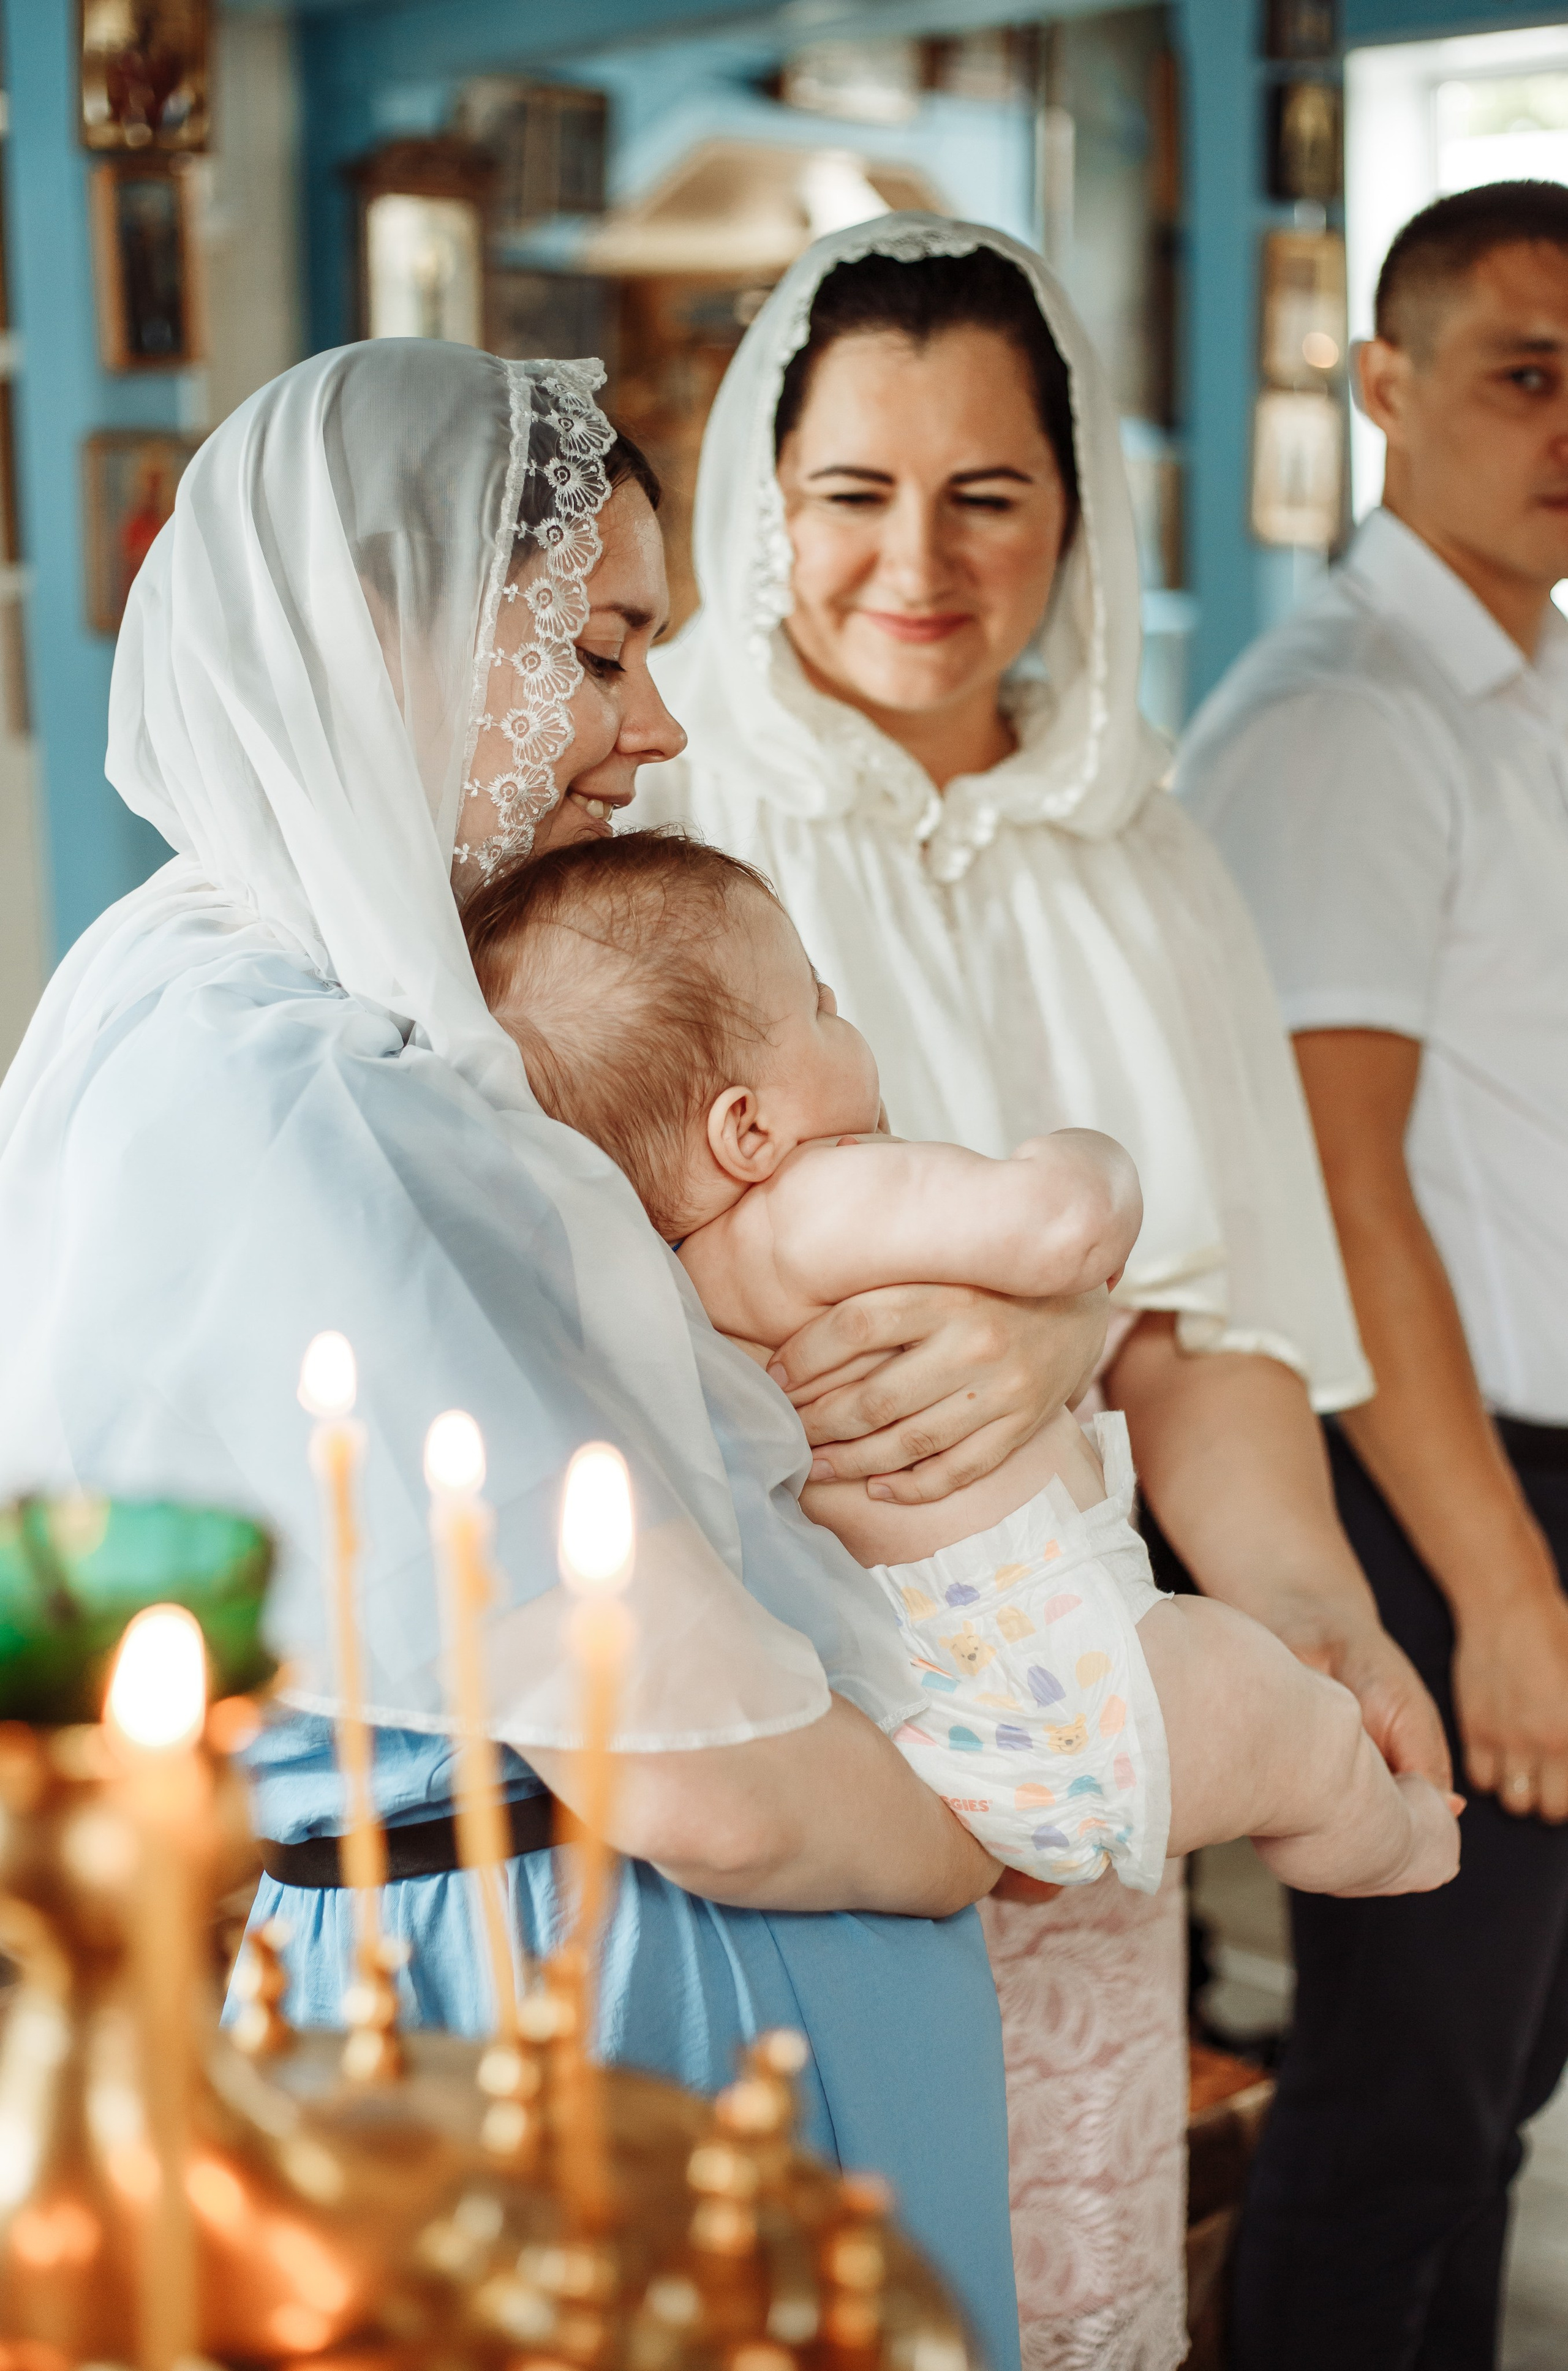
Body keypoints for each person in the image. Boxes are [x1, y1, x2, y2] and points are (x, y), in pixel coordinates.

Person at [0, 339, 1126, 2369]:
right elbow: (700, 1774)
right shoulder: (285, 1079)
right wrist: (1019, 1807)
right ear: (390, 633)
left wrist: (1027, 1337)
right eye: (602, 653)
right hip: (580, 1977)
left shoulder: (335, 988)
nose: (653, 725)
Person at [628, 213, 1451, 2370]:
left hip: (1061, 1641)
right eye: (856, 495)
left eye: (991, 494)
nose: (925, 558)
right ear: (761, 504)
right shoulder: (658, 810)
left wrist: (1316, 1620)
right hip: (774, 1653)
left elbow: (1211, 1325)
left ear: (1076, 511)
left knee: (1054, 2259)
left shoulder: (1136, 845)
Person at [465, 825, 1461, 1903]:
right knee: (1309, 1741)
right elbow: (1065, 1226)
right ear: (746, 1129)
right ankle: (1409, 1843)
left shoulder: (681, 1295)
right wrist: (1094, 1161)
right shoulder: (818, 1202)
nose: (846, 1019)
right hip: (1093, 1663)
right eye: (818, 1008)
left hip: (940, 1737)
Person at [1179, 179, 1568, 2371]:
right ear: (1386, 387)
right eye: (1524, 371)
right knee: (1408, 2108)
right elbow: (1335, 1181)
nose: (1566, 423)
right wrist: (1499, 1584)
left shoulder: (1531, 678)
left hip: (1530, 1484)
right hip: (1435, 1494)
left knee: (1494, 2097)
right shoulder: (1343, 714)